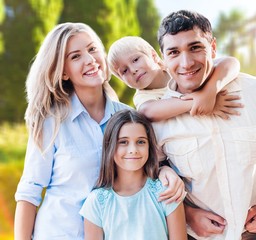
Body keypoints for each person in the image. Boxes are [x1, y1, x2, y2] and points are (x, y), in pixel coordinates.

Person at [14, 22, 185, 240]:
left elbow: (147, 167)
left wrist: (164, 171)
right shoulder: (52, 122)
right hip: (60, 233)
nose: (89, 60)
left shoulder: (129, 118)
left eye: (92, 49)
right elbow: (29, 192)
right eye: (75, 56)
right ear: (63, 72)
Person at [155, 10, 256, 240]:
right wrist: (186, 215)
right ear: (163, 58)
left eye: (195, 47)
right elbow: (147, 178)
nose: (186, 62)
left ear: (213, 47)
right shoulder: (157, 120)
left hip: (254, 235)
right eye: (174, 52)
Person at [80, 109, 187, 240]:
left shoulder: (166, 192)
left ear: (149, 146)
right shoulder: (96, 202)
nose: (133, 150)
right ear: (110, 146)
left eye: (141, 142)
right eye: (123, 142)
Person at [107, 36, 243, 122]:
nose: (133, 70)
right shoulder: (143, 97)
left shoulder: (176, 66)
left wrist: (209, 92)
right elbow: (148, 111)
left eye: (136, 59)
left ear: (154, 56)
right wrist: (199, 102)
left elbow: (230, 62)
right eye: (124, 71)